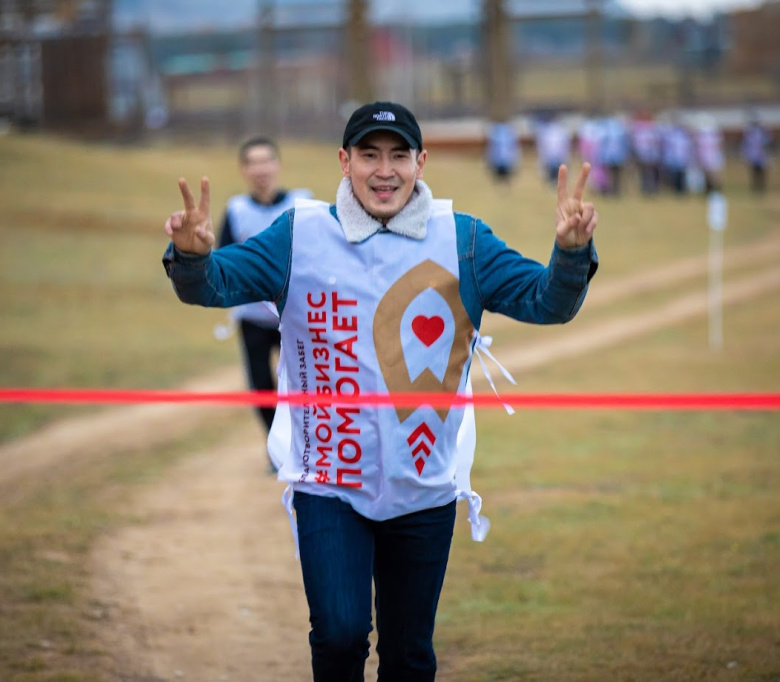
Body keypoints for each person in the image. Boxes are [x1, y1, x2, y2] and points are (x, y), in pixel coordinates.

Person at [161, 100, 599, 681]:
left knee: (409, 654)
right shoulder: (299, 235)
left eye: (398, 155)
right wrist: (192, 259)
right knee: (340, 637)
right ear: (345, 161)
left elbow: (548, 302)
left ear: (422, 161)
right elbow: (213, 286)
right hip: (329, 484)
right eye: (369, 154)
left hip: (424, 488)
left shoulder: (463, 240)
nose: (384, 169)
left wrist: (570, 255)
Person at [217, 136, 312, 455]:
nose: (260, 169)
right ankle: (278, 449)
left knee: (304, 386)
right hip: (253, 317)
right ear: (244, 169)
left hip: (296, 315)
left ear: (277, 164)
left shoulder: (302, 203)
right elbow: (225, 260)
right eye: (252, 162)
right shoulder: (236, 210)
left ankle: (306, 447)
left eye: (265, 161)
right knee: (261, 387)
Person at [533, 114, 570, 186]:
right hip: (554, 157)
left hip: (554, 157)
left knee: (556, 176)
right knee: (554, 176)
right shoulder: (559, 130)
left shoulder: (550, 131)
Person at [740, 117, 771, 194]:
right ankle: (756, 186)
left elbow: (768, 142)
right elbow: (745, 144)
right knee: (755, 171)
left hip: (761, 155)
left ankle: (761, 186)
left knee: (761, 171)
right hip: (754, 155)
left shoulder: (763, 132)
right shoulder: (749, 133)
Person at [485, 119, 520, 184]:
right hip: (500, 160)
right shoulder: (495, 131)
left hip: (505, 160)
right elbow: (491, 148)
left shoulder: (508, 131)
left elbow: (514, 147)